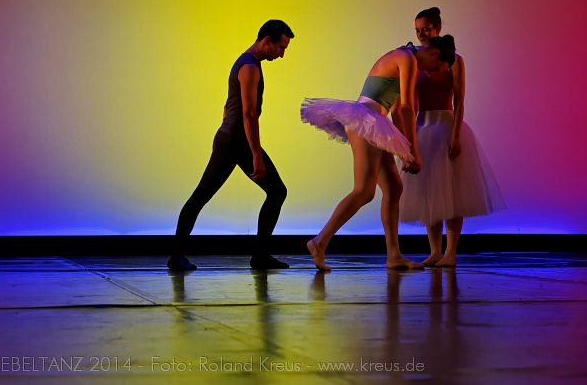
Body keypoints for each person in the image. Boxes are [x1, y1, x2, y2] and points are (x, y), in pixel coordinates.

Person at [301, 36, 456, 271]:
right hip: (366, 119)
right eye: (435, 68)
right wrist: (414, 153)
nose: (430, 72)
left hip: (375, 122)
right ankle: (319, 242)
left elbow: (397, 111)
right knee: (364, 191)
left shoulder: (406, 57)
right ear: (434, 53)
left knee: (394, 187)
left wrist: (404, 149)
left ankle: (394, 255)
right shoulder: (407, 59)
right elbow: (407, 107)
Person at [167, 20, 294, 271]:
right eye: (280, 48)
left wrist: (228, 130)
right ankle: (257, 257)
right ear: (266, 41)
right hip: (236, 141)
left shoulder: (245, 62)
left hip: (230, 138)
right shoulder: (250, 67)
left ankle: (258, 256)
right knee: (275, 191)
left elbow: (228, 106)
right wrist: (256, 154)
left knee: (273, 192)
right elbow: (249, 114)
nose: (281, 54)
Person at [399, 7, 506, 267]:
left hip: (446, 128)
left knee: (453, 193)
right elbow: (409, 102)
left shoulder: (455, 61)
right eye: (417, 30)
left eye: (426, 29)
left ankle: (450, 252)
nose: (422, 34)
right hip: (423, 128)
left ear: (437, 28)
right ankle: (435, 250)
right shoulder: (414, 61)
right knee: (429, 192)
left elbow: (459, 101)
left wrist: (456, 136)